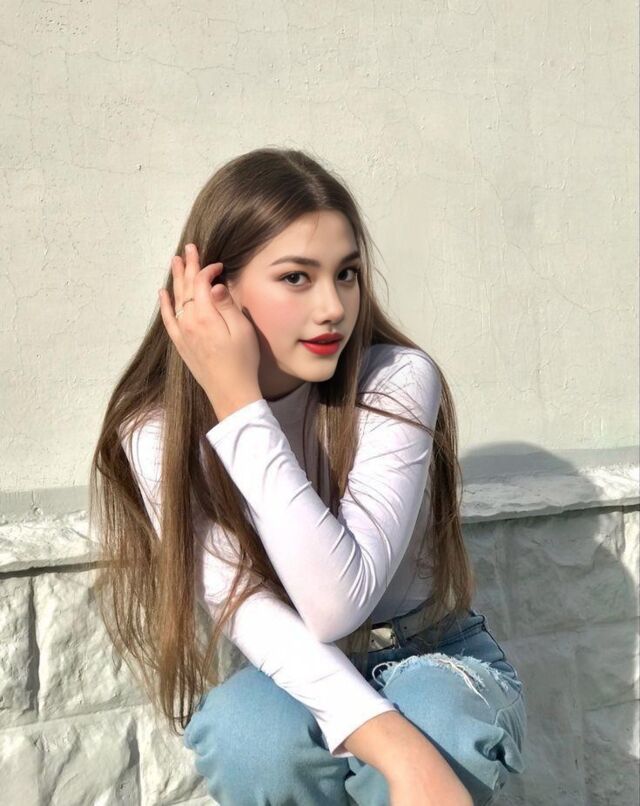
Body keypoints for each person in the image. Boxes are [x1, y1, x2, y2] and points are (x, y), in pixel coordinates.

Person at [89, 147, 526, 805]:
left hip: (432, 653)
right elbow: (267, 618)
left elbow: (339, 599)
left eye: (346, 274)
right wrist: (237, 402)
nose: (333, 308)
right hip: (294, 671)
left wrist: (239, 408)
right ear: (215, 291)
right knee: (247, 733)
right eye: (296, 277)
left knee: (433, 713)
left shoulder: (394, 381)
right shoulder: (157, 431)